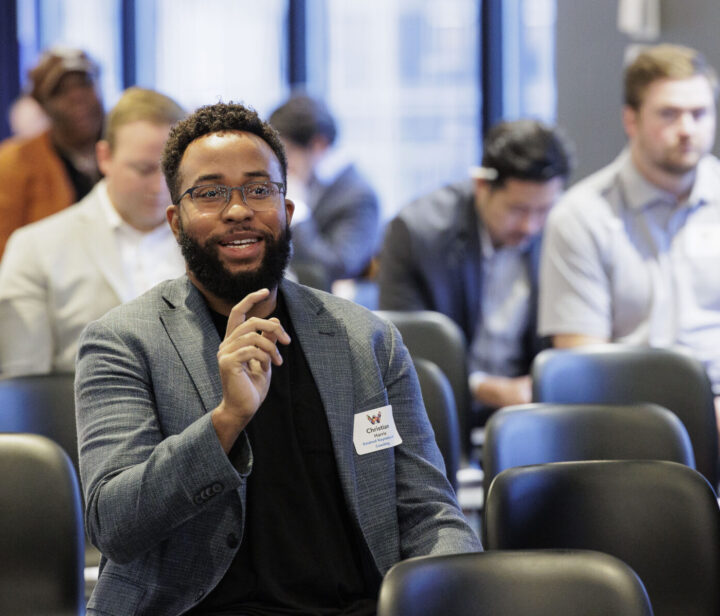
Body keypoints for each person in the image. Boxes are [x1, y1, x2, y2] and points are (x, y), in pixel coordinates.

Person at [75, 101, 481, 616]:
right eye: (210, 193)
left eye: (259, 188)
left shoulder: (367, 341)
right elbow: (115, 525)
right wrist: (226, 421)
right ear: (176, 222)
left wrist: (450, 591)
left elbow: (429, 514)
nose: (238, 209)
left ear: (287, 212)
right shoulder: (123, 342)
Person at [539, 43, 720, 422]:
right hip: (631, 423)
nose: (687, 129)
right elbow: (581, 371)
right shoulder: (581, 216)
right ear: (631, 120)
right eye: (669, 114)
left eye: (699, 113)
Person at [378, 119, 572, 416]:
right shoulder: (418, 233)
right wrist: (485, 388)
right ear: (482, 186)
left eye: (543, 210)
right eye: (517, 209)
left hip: (530, 411)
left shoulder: (561, 231)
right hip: (441, 412)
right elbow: (402, 352)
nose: (529, 226)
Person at [0, 87, 186, 377]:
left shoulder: (210, 239)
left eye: (173, 170)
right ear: (104, 157)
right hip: (73, 418)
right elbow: (23, 387)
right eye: (144, 169)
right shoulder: (36, 247)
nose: (160, 186)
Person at [0, 46, 105, 257]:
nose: (77, 97)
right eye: (61, 91)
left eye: (84, 83)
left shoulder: (126, 149)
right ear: (42, 104)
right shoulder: (14, 163)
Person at [268, 93, 380, 286]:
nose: (282, 165)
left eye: (288, 153)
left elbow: (339, 266)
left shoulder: (358, 195)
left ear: (319, 145)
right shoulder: (307, 181)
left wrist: (298, 211)